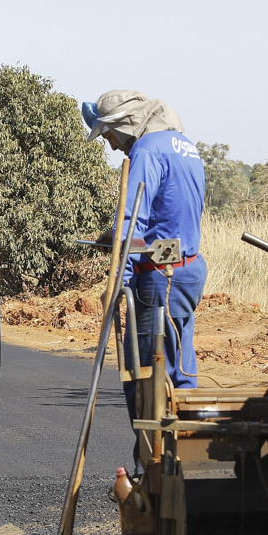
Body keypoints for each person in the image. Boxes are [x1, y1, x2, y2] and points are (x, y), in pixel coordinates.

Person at [82, 90, 207, 413]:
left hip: (159, 278)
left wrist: (117, 282)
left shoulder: (147, 150)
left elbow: (132, 219)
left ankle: (156, 446)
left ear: (123, 124)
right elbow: (170, 213)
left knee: (145, 379)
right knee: (180, 373)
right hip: (187, 271)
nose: (112, 145)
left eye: (108, 135)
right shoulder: (185, 146)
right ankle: (183, 442)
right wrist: (115, 238)